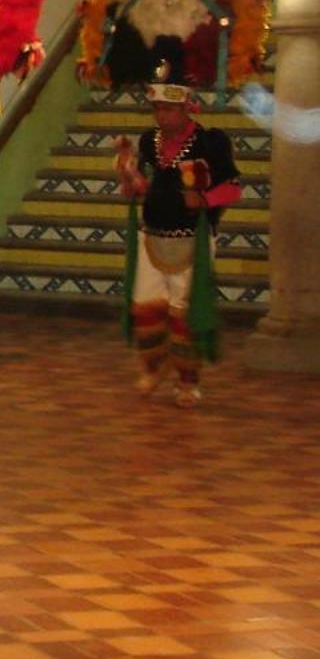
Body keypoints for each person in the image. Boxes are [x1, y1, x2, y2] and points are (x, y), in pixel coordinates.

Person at [114, 63, 239, 406]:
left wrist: (204, 198)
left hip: (191, 239)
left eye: (168, 108)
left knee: (185, 311)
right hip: (152, 236)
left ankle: (187, 380)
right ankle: (154, 366)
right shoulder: (148, 142)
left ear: (187, 107)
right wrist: (130, 177)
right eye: (156, 108)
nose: (161, 115)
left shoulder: (210, 142)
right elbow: (141, 186)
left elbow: (234, 188)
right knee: (146, 308)